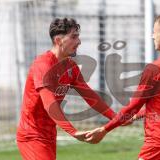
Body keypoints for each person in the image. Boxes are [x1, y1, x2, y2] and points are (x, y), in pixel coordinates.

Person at [85, 13, 160, 160]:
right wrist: (136, 116)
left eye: (154, 33)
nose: (151, 36)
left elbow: (134, 105)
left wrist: (105, 129)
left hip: (159, 144)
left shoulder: (156, 68)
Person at [16, 18, 116, 160]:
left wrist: (115, 117)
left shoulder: (70, 67)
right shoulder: (43, 65)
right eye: (74, 37)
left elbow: (90, 97)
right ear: (58, 40)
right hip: (31, 136)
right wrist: (73, 132)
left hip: (49, 134)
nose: (79, 42)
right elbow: (50, 104)